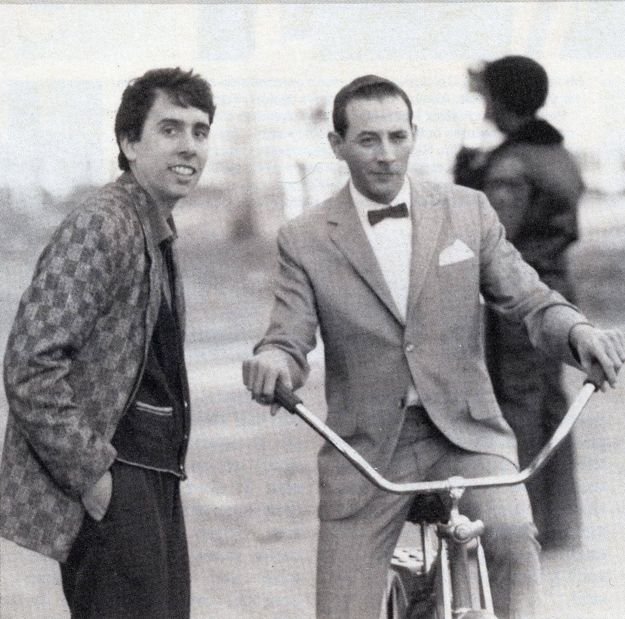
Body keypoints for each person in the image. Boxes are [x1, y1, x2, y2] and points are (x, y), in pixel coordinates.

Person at [242, 74, 625, 619]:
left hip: (468, 434)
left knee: (514, 538)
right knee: (343, 609)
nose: (386, 154)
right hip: (368, 450)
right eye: (368, 140)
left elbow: (529, 299)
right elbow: (288, 335)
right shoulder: (305, 238)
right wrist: (274, 361)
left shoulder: (467, 211)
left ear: (414, 136)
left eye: (397, 137)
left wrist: (579, 333)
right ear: (337, 145)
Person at [0, 67, 215, 618]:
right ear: (129, 142)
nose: (189, 146)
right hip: (118, 475)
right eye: (170, 129)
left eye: (200, 131)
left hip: (153, 475)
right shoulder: (102, 224)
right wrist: (93, 476)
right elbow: (30, 365)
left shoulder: (152, 224)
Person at [454, 55, 585, 549]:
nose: (484, 105)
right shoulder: (557, 152)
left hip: (522, 300)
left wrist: (467, 181)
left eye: (488, 95)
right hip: (559, 290)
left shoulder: (510, 164)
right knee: (552, 403)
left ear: (504, 101)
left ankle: (522, 528)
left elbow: (496, 239)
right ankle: (562, 526)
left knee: (518, 405)